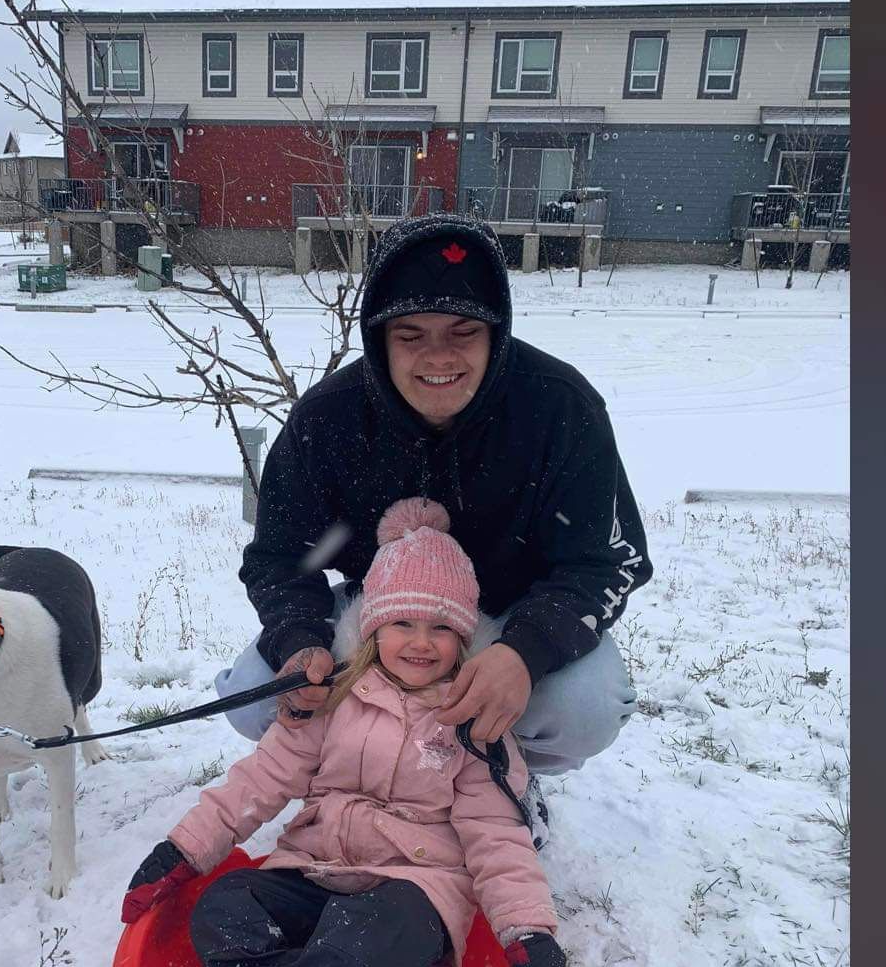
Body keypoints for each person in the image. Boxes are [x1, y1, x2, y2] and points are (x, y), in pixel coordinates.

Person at [121, 500, 570, 967]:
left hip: (409, 893)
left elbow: (498, 837)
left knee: (362, 939)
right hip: (315, 870)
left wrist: (531, 936)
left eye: (441, 628)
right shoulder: (327, 701)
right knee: (224, 908)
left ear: (466, 639)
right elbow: (259, 781)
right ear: (371, 627)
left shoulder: (475, 726)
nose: (421, 642)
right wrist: (183, 850)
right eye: (403, 622)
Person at [217, 211, 652, 847]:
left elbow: (607, 561)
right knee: (257, 695)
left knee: (584, 709)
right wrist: (300, 639)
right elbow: (281, 558)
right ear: (379, 338)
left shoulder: (561, 407)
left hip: (514, 613)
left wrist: (524, 654)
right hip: (385, 614)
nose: (438, 356)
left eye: (464, 331)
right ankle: (354, 770)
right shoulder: (327, 419)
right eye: (411, 334)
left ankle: (506, 776)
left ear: (496, 333)